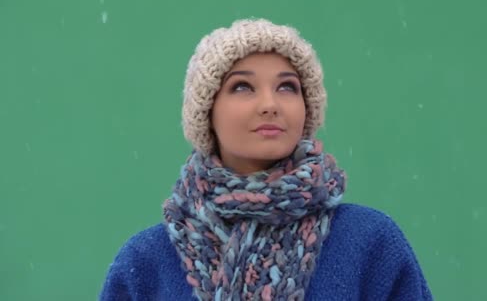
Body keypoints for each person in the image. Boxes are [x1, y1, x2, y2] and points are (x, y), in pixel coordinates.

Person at [100, 19, 433, 301]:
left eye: (287, 87)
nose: (270, 104)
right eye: (243, 87)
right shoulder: (147, 262)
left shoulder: (369, 244)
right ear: (207, 113)